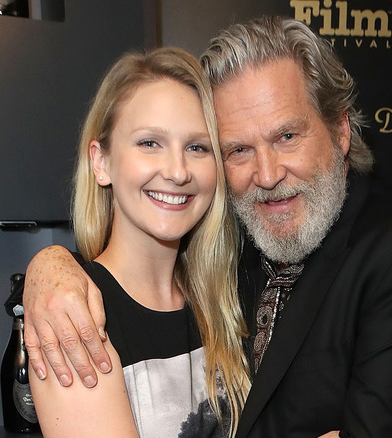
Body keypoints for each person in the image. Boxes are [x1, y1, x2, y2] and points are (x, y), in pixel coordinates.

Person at [24, 17, 392, 438]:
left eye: (286, 137)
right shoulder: (85, 315)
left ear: (341, 130)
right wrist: (48, 265)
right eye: (238, 149)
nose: (268, 173)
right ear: (100, 161)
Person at [27, 47, 252, 438]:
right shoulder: (71, 315)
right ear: (101, 163)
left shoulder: (228, 297)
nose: (177, 171)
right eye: (150, 143)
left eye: (197, 147)